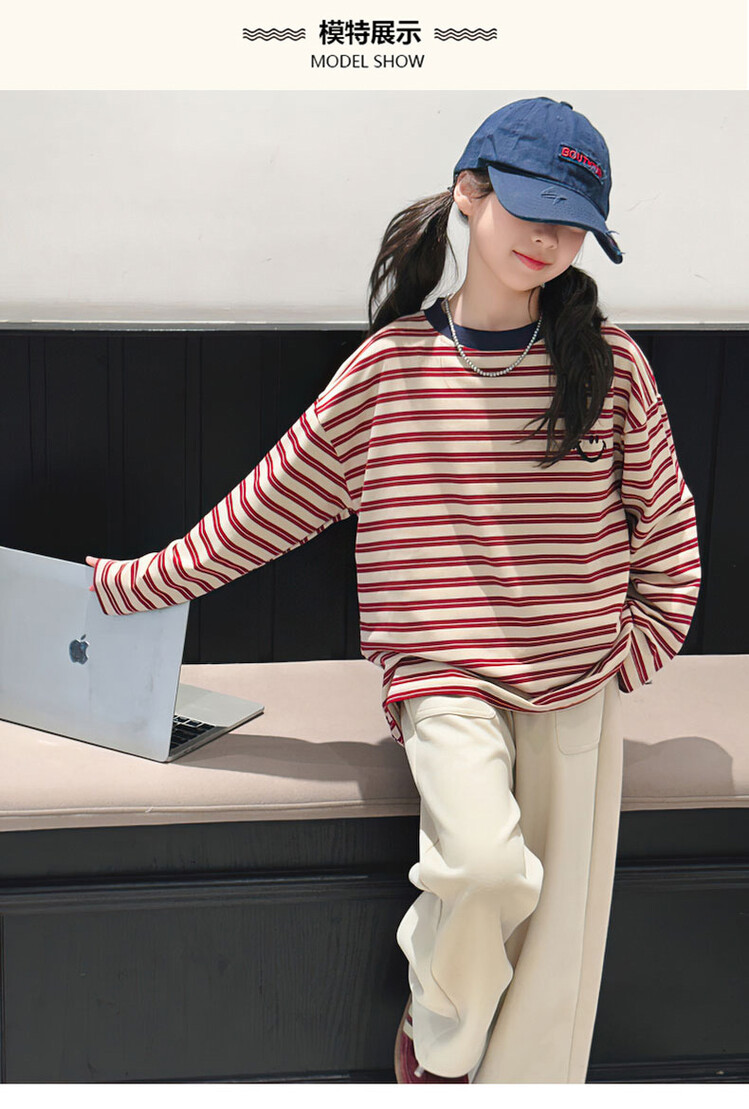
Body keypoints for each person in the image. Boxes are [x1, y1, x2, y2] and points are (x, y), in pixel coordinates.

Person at [85, 97, 701, 1084]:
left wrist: (637, 645)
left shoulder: (609, 365)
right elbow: (268, 505)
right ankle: (439, 1042)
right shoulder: (391, 369)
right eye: (531, 207)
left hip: (578, 676)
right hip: (444, 675)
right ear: (469, 193)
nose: (548, 238)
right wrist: (138, 584)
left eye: (572, 221)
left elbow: (664, 525)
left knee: (557, 961)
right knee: (483, 869)